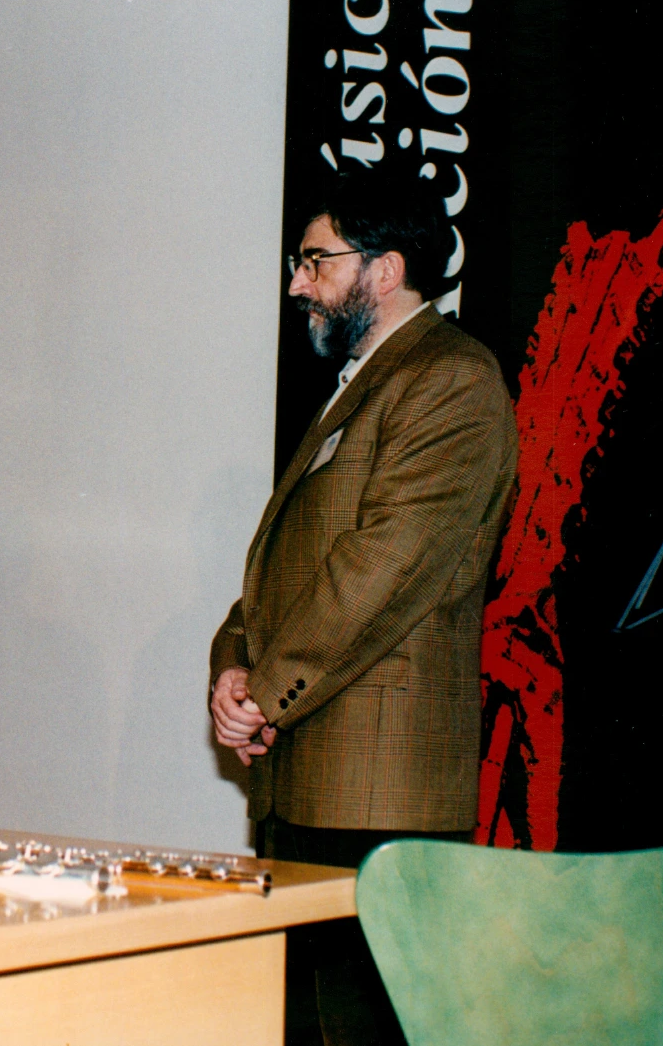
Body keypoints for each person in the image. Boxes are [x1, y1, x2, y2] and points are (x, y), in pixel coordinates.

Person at [208, 182, 517, 1045]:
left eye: (315, 261)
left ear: (384, 270)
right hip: (310, 776)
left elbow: (380, 569)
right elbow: (282, 570)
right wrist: (231, 663)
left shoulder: (450, 379)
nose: (296, 283)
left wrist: (262, 691)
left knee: (357, 1029)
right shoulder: (368, 383)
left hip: (379, 795)